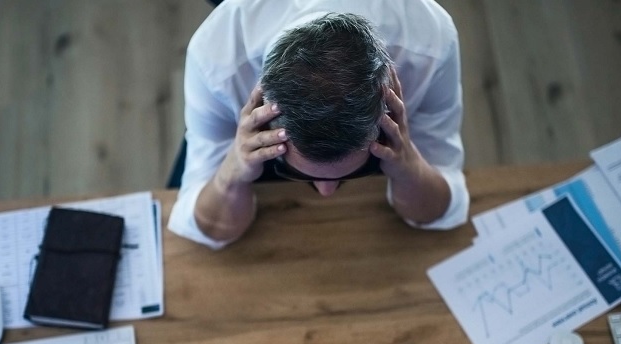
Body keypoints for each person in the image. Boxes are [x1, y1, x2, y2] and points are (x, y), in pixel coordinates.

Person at [168, 0, 470, 249]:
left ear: (389, 108)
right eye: (296, 171)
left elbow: (439, 207)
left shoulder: (432, 42)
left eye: (356, 171)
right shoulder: (215, 60)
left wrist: (409, 167)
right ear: (263, 116)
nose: (326, 193)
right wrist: (231, 172)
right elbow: (209, 229)